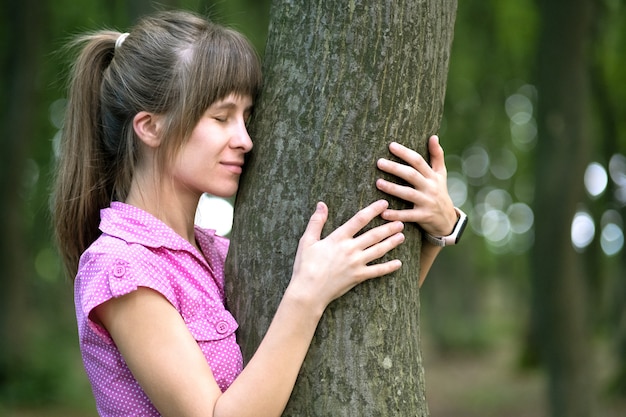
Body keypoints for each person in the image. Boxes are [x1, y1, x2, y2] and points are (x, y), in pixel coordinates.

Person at [52, 9, 461, 417]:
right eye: (221, 117)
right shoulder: (122, 268)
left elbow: (352, 318)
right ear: (150, 127)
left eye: (247, 118)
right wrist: (306, 294)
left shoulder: (215, 253)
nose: (245, 140)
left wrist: (438, 230)